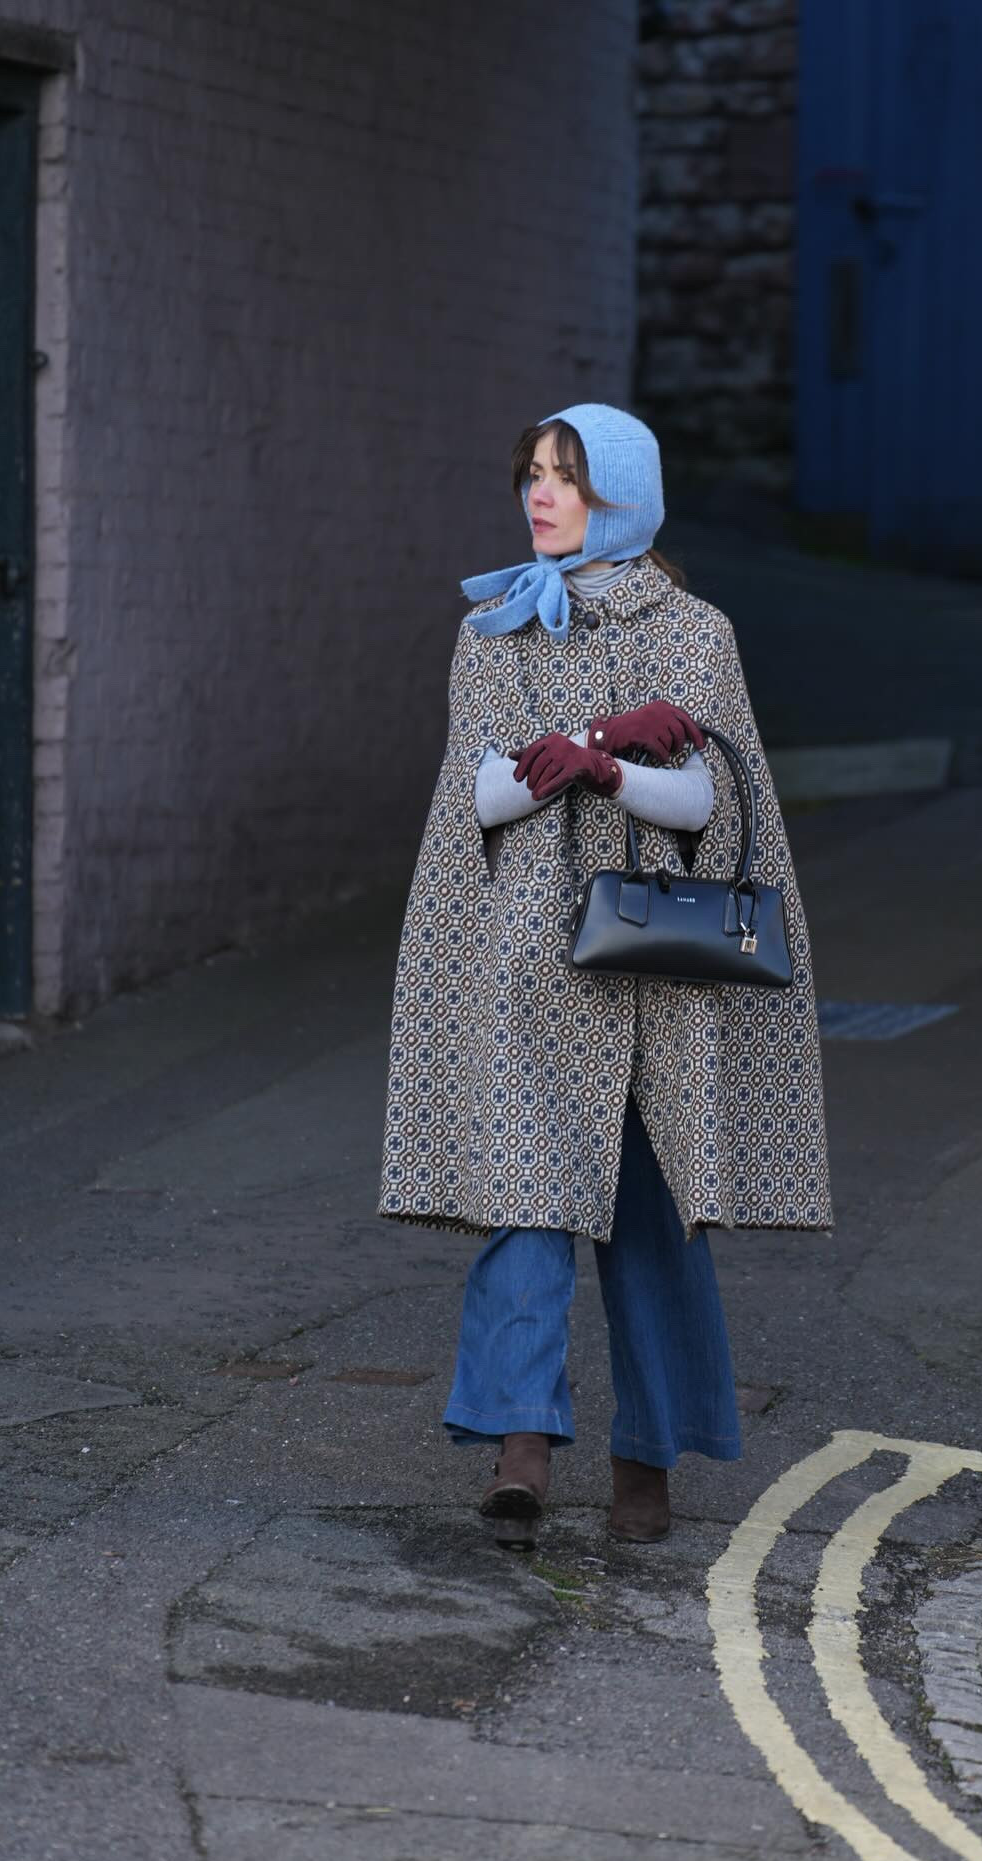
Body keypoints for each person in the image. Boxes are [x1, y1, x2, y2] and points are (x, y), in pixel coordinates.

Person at [378, 402, 831, 1549]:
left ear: (621, 492)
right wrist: (592, 738)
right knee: (525, 1200)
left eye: (566, 478)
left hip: (654, 971)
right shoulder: (493, 627)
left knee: (652, 1218)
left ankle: (648, 1459)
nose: (540, 495)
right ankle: (520, 1443)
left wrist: (613, 775)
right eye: (530, 472)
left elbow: (702, 801)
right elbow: (477, 794)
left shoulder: (695, 631)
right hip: (523, 960)